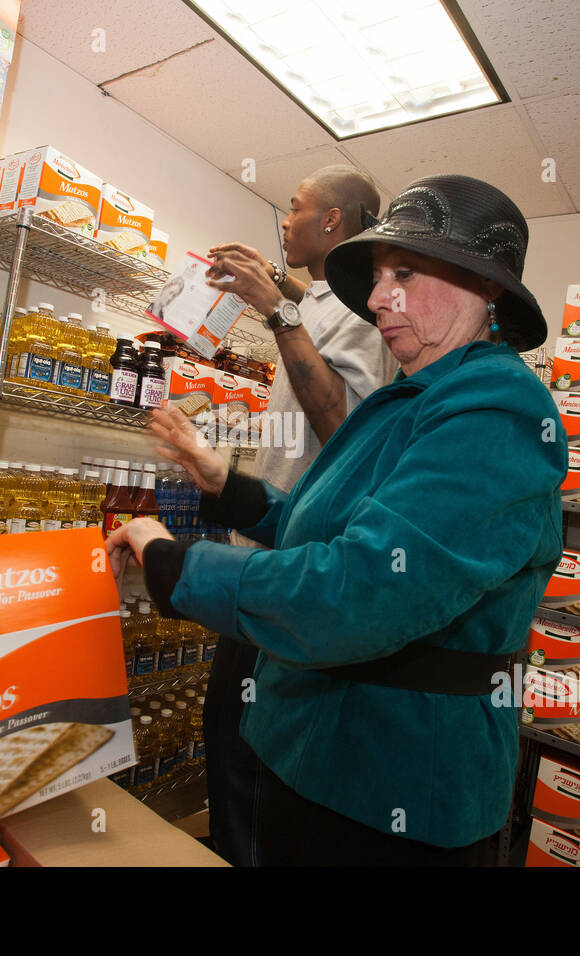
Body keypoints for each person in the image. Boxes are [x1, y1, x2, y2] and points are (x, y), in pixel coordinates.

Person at [106, 174, 567, 865]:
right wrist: (227, 487)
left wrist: (173, 564)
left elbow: (359, 589)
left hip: (392, 787)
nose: (380, 299)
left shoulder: (497, 412)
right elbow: (331, 525)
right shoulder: (418, 395)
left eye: (404, 273)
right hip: (317, 754)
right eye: (380, 276)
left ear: (488, 289)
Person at [198, 165, 397, 865]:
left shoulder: (366, 312)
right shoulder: (323, 300)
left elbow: (343, 425)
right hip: (269, 545)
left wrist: (277, 308)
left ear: (333, 222)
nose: (284, 222)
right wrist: (271, 285)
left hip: (295, 561)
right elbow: (313, 305)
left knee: (241, 743)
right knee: (232, 733)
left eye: (294, 208)